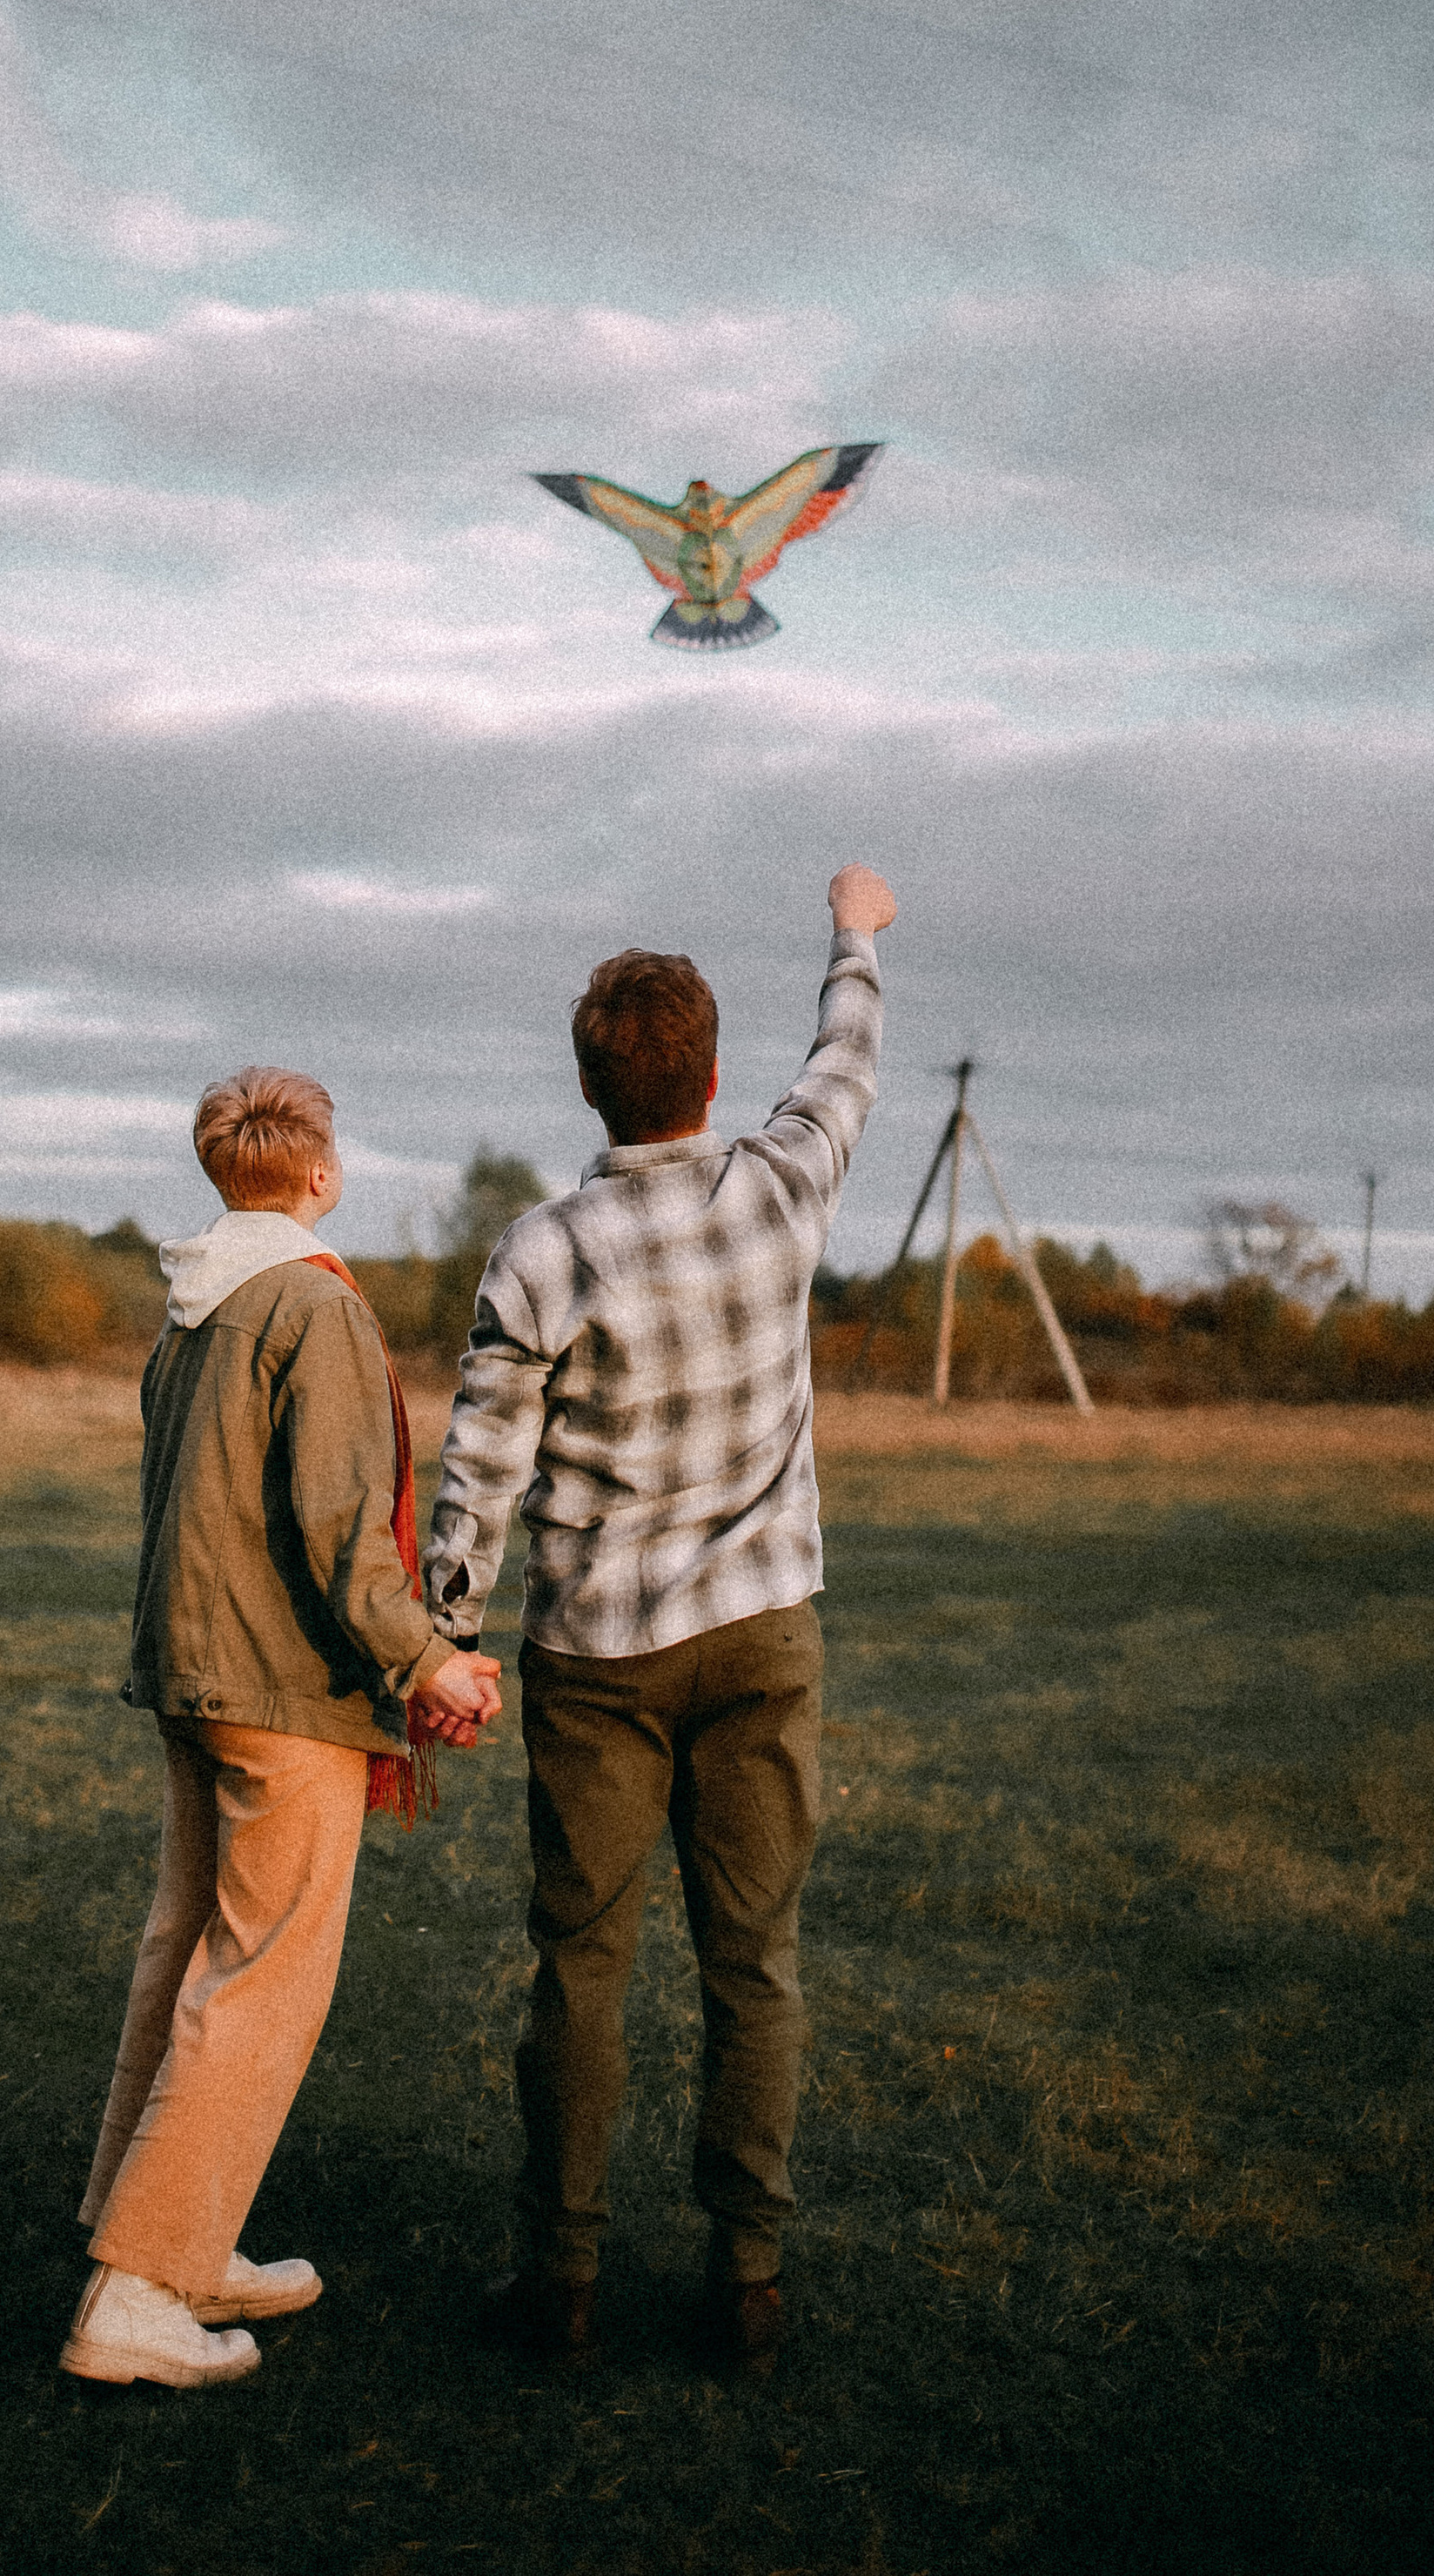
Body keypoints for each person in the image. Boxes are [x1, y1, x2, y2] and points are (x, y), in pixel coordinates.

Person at [423, 863, 895, 2375]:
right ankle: (746, 2285)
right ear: (706, 1076)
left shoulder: (541, 1249)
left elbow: (480, 1465)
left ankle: (557, 2288)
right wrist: (855, 931)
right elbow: (845, 1060)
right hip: (764, 1635)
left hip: (597, 1660)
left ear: (590, 1086)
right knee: (753, 1964)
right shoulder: (778, 1183)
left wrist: (446, 1630)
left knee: (582, 1965)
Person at [64, 1066, 502, 2392]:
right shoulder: (312, 1300)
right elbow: (338, 1525)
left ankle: (166, 2235)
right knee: (259, 1982)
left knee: (188, 1949)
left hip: (193, 1677)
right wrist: (431, 1663)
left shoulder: (192, 1306)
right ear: (321, 1172)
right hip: (278, 1693)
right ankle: (136, 2292)